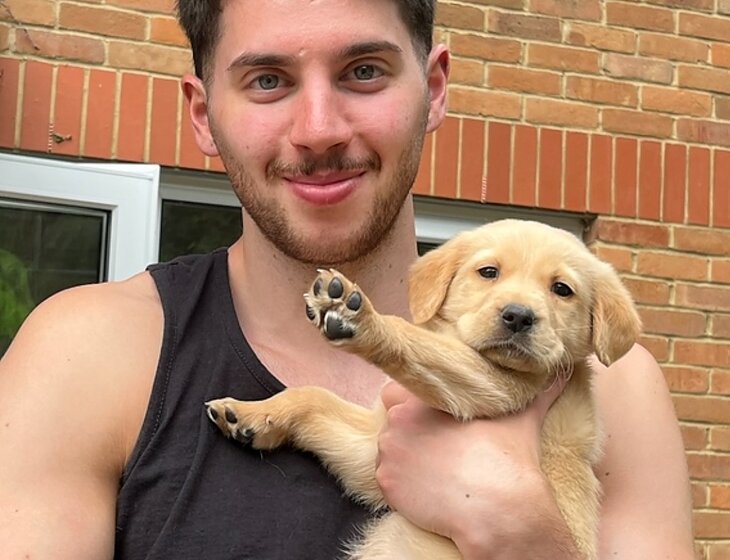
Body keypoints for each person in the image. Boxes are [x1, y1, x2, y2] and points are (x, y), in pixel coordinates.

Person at [0, 0, 695, 558]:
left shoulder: (615, 385)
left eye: (364, 71)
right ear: (204, 115)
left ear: (434, 90)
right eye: (267, 80)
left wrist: (524, 534)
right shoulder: (86, 354)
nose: (320, 129)